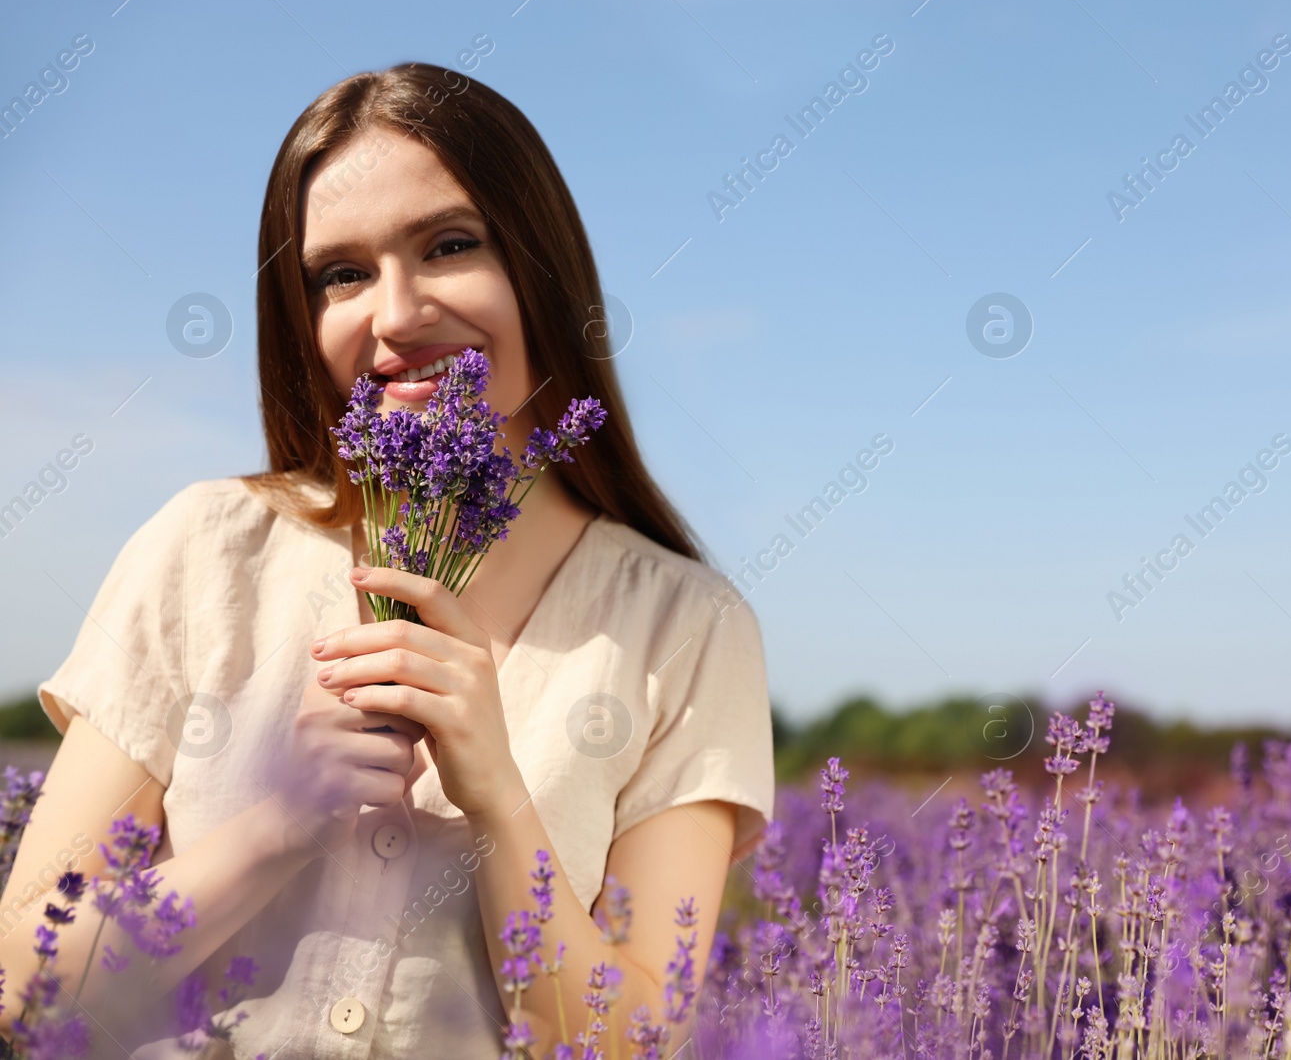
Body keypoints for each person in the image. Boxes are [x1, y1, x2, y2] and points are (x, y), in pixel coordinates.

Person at [0, 62, 774, 1058]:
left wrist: (498, 790)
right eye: (342, 274)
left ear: (541, 266)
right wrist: (275, 821)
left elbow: (635, 1039)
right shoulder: (203, 551)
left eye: (450, 246)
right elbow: (23, 984)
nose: (396, 313)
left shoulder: (685, 626)